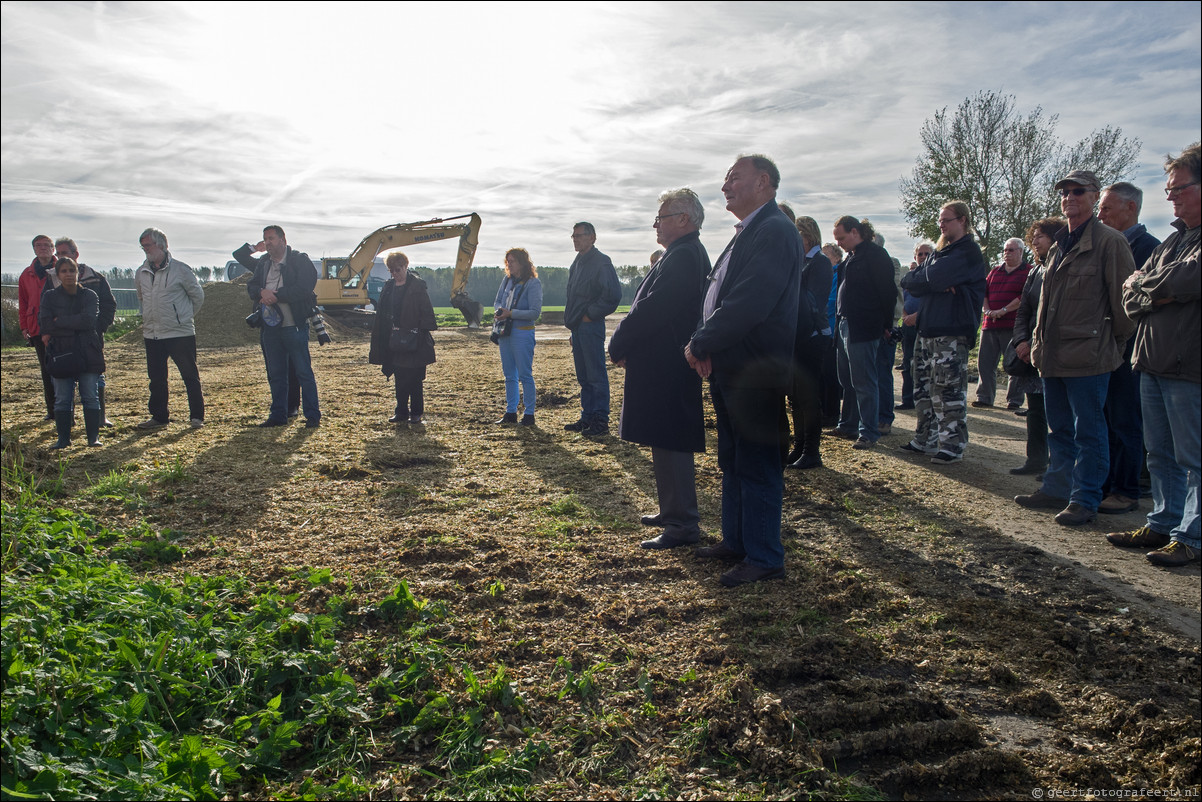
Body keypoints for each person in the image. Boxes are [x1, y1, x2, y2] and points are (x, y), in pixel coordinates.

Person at [685, 154, 801, 587]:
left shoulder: (774, 230)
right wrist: (706, 340)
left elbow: (750, 301)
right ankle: (736, 541)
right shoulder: (749, 231)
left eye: (734, 177)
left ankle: (765, 555)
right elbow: (717, 295)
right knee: (733, 459)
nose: (725, 186)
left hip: (754, 369)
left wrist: (700, 342)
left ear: (764, 182)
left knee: (757, 462)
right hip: (731, 365)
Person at [1015, 170, 1136, 526]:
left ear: (1094, 196)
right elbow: (1042, 304)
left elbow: (1125, 306)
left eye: (1078, 191)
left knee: (1090, 431)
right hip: (1051, 357)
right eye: (1064, 191)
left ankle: (1085, 499)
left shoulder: (1110, 242)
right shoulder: (1056, 247)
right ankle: (1057, 488)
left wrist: (1107, 346)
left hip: (1089, 358)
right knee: (1060, 428)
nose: (1069, 197)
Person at [1106, 143, 1201, 567]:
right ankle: (1164, 522)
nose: (1170, 196)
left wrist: (1151, 286)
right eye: (1168, 188)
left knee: (1194, 458)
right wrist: (1155, 290)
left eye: (1179, 187)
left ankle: (1193, 536)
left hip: (1190, 368)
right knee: (1159, 453)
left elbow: (1191, 277)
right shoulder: (1172, 240)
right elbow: (1130, 290)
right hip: (1151, 362)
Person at [610, 188, 710, 549]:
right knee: (663, 437)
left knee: (671, 439)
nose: (656, 223)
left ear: (683, 220)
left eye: (662, 217)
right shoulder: (681, 253)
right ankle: (672, 510)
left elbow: (653, 309)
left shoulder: (685, 256)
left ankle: (682, 523)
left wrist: (619, 341)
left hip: (669, 361)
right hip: (664, 360)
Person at [900, 201, 987, 464]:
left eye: (946, 220)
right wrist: (932, 282)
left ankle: (952, 444)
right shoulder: (940, 253)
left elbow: (931, 279)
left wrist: (931, 281)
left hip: (951, 331)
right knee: (923, 387)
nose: (941, 225)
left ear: (962, 220)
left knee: (947, 389)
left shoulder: (967, 252)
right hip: (927, 330)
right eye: (940, 220)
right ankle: (925, 438)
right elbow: (909, 280)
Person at [1096, 182, 1162, 515]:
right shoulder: (1108, 243)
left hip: (1131, 347)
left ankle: (1127, 489)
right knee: (1106, 418)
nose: (1101, 213)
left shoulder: (1148, 247)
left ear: (1130, 208)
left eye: (1107, 207)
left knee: (1125, 420)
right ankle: (1105, 484)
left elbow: (1146, 299)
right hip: (1105, 346)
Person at [235, 226, 322, 428]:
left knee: (303, 372)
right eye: (265, 239)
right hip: (270, 329)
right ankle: (277, 416)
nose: (267, 242)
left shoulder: (300, 260)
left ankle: (312, 416)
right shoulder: (264, 263)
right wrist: (261, 292)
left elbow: (304, 287)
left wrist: (277, 295)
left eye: (271, 238)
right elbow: (251, 286)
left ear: (283, 239)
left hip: (295, 326)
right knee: (276, 374)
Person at [832, 216, 898, 449]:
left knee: (864, 380)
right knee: (847, 379)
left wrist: (886, 325)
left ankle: (868, 431)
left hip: (863, 326)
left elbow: (888, 292)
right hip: (845, 323)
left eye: (841, 238)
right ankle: (848, 423)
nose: (839, 243)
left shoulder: (875, 255)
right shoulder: (851, 257)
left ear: (854, 231)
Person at [134, 228, 205, 429]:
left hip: (179, 333)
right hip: (152, 334)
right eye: (143, 246)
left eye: (148, 245)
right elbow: (142, 297)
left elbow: (197, 296)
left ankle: (196, 416)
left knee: (189, 375)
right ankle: (159, 417)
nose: (145, 249)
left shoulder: (181, 270)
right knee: (156, 378)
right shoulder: (141, 272)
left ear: (162, 245)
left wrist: (182, 317)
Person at [1008, 217, 1064, 476]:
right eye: (1034, 236)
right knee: (1035, 410)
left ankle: (1058, 466)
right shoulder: (1035, 271)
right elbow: (1025, 310)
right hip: (1029, 352)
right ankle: (1036, 459)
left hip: (1050, 350)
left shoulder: (1062, 266)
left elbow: (1056, 312)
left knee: (1058, 412)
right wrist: (1020, 341)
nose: (1035, 241)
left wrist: (1033, 343)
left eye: (1041, 236)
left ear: (1055, 238)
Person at [38, 257, 106, 449]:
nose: (68, 274)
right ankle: (63, 439)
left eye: (72, 270)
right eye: (64, 271)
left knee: (90, 396)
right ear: (58, 275)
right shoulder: (49, 296)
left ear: (77, 273)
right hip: (60, 352)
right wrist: (69, 324)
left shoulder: (90, 295)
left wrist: (59, 322)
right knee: (62, 398)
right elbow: (46, 324)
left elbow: (89, 321)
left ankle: (93, 438)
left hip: (88, 352)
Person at [563, 222, 622, 437]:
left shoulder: (601, 262)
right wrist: (574, 325)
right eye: (573, 236)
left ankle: (600, 420)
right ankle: (586, 417)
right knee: (584, 376)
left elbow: (613, 296)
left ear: (592, 237)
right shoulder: (577, 262)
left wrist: (589, 315)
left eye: (579, 235)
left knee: (596, 375)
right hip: (578, 327)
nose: (575, 239)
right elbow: (574, 297)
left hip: (590, 325)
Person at [785, 216, 833, 469]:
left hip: (812, 337)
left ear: (809, 236)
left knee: (808, 395)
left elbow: (815, 302)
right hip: (798, 336)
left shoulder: (820, 263)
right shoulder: (802, 261)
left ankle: (812, 450)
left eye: (798, 236)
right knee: (795, 395)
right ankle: (799, 446)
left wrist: (802, 330)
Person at [53, 238, 117, 427]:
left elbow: (108, 305)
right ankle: (68, 419)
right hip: (63, 340)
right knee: (65, 376)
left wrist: (98, 328)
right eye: (58, 253)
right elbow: (47, 309)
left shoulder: (95, 277)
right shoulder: (52, 278)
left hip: (91, 339)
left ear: (76, 254)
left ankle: (99, 418)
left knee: (95, 376)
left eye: (65, 253)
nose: (60, 257)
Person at [369, 252, 437, 424]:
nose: (394, 273)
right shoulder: (389, 287)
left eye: (397, 269)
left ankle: (416, 413)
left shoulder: (418, 286)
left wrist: (417, 331)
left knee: (415, 378)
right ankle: (401, 412)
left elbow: (426, 312)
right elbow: (382, 313)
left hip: (415, 341)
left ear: (406, 266)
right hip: (395, 341)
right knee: (399, 377)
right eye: (391, 270)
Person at [974, 237, 1031, 409]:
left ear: (1021, 251)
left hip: (1012, 326)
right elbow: (983, 293)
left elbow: (1025, 297)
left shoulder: (1028, 271)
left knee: (1013, 363)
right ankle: (984, 397)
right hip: (990, 324)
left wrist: (1004, 310)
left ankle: (1014, 400)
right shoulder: (994, 271)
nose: (1007, 253)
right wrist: (988, 310)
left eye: (1011, 250)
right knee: (985, 363)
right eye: (1005, 250)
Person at [493, 248, 542, 426]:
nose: (509, 265)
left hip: (522, 332)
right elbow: (497, 301)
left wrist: (511, 313)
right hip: (505, 332)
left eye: (512, 261)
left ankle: (529, 414)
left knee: (525, 375)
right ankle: (511, 412)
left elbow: (534, 312)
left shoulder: (532, 283)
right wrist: (499, 311)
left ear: (522, 262)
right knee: (509, 375)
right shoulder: (506, 281)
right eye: (507, 262)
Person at [18, 235, 59, 420]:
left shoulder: (62, 269)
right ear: (34, 249)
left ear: (53, 249)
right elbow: (23, 302)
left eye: (46, 245)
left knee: (64, 367)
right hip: (36, 327)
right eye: (38, 245)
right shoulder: (26, 275)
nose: (42, 248)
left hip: (60, 327)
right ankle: (52, 411)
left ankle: (66, 409)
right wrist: (24, 326)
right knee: (46, 369)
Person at [897, 242, 935, 410]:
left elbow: (934, 304)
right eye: (920, 254)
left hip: (927, 326)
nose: (923, 257)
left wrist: (916, 317)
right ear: (915, 257)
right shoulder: (911, 278)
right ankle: (907, 399)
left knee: (926, 365)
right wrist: (906, 316)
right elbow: (903, 300)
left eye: (927, 254)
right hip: (908, 327)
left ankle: (926, 400)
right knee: (907, 363)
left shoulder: (934, 277)